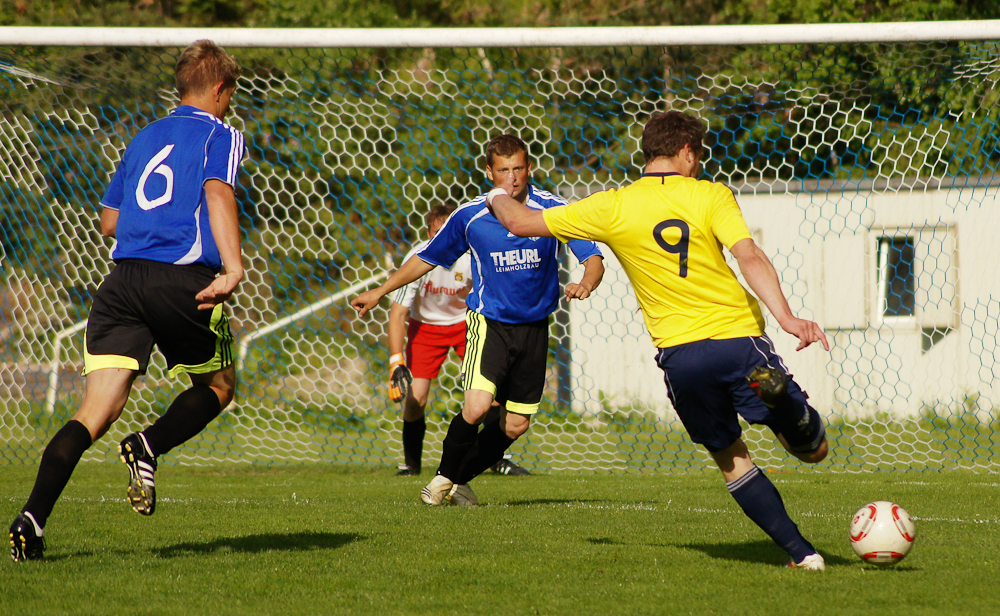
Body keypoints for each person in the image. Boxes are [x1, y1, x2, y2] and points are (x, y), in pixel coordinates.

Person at [487, 110, 831, 570]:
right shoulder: (710, 194)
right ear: (687, 151)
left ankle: (804, 555)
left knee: (732, 460)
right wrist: (786, 317)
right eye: (699, 156)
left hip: (681, 357)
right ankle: (783, 406)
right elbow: (748, 254)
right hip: (736, 340)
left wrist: (496, 192)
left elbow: (520, 222)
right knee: (813, 451)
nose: (699, 164)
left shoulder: (613, 205)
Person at [8, 40, 246, 563]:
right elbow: (217, 192)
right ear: (220, 90)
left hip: (121, 284)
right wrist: (233, 267)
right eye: (230, 93)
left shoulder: (144, 136)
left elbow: (109, 222)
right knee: (220, 387)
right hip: (183, 281)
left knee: (93, 412)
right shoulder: (220, 133)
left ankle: (32, 519)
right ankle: (148, 446)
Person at [353, 134, 605, 506]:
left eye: (518, 168)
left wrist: (586, 282)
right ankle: (441, 481)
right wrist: (379, 291)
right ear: (489, 172)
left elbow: (593, 257)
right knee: (476, 407)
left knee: (516, 424)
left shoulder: (553, 209)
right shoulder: (470, 216)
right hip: (490, 324)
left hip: (535, 328)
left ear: (529, 168)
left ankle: (459, 480)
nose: (512, 178)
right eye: (503, 170)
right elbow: (426, 258)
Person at [387, 204, 529, 477]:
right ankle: (411, 465)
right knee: (416, 399)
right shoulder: (417, 258)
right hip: (425, 329)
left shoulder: (471, 256)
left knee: (492, 394)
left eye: (447, 233)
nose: (442, 240)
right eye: (435, 233)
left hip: (467, 325)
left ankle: (498, 459)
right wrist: (396, 361)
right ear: (428, 233)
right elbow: (398, 313)